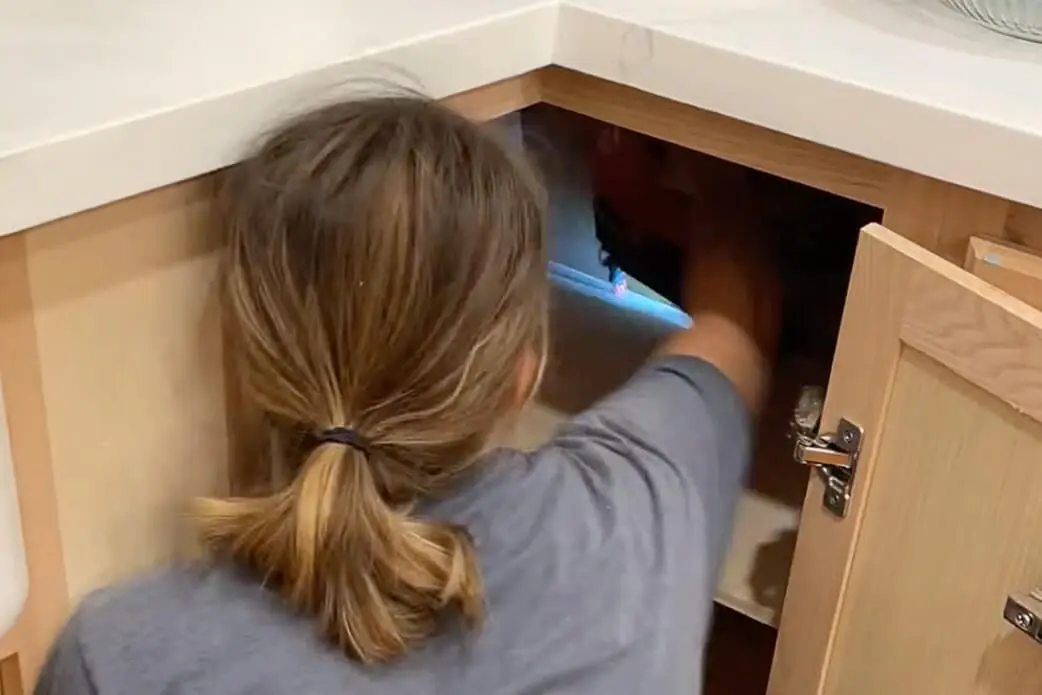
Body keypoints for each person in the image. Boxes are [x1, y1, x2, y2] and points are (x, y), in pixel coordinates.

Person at [35, 96, 779, 695]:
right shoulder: (638, 514)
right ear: (524, 373)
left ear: (258, 368)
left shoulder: (123, 656)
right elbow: (734, 325)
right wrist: (709, 181)